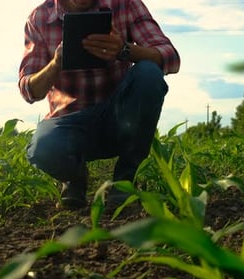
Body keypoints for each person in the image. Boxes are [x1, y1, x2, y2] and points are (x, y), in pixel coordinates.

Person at [18, 0, 180, 210]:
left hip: (119, 117)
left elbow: (171, 57)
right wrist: (56, 63)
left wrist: (123, 49)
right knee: (43, 150)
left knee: (148, 73)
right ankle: (75, 176)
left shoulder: (124, 4)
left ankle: (125, 180)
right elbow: (29, 90)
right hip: (69, 123)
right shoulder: (39, 18)